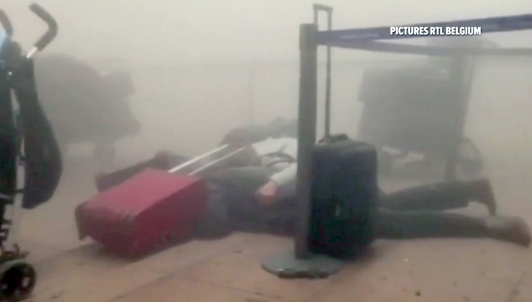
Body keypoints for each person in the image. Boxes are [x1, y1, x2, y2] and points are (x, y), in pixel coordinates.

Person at [94, 130, 531, 246]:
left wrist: (270, 183)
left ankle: (488, 227)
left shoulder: (243, 165)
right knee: (390, 207)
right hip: (331, 188)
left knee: (389, 222)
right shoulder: (261, 150)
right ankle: (470, 189)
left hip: (325, 190)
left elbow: (215, 225)